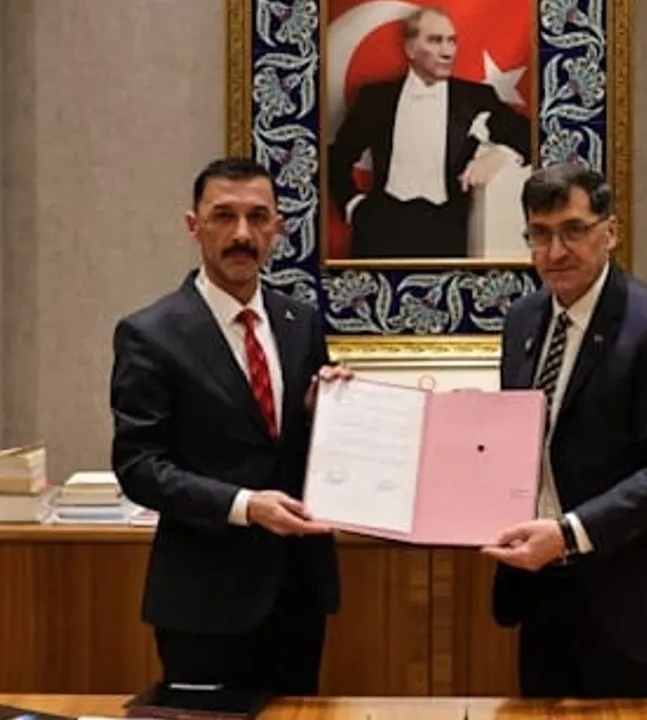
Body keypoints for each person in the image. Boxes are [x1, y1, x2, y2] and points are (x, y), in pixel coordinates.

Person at [110, 157, 352, 697]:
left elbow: (292, 446)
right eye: (224, 216)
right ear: (193, 226)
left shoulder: (300, 322)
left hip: (298, 593)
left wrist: (325, 413)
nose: (242, 234)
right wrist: (245, 505)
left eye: (257, 217)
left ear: (277, 228)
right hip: (204, 600)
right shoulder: (150, 334)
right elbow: (139, 466)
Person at [483, 163, 647, 699]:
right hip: (543, 589)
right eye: (540, 234)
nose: (555, 251)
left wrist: (570, 533)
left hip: (633, 600)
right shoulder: (523, 320)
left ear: (610, 232)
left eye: (573, 230)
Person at [327, 5, 531, 259]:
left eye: (452, 41)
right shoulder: (375, 99)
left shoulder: (475, 98)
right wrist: (353, 206)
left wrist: (499, 155)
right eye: (435, 40)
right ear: (410, 49)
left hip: (446, 233)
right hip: (380, 231)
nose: (447, 51)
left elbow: (529, 135)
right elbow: (337, 157)